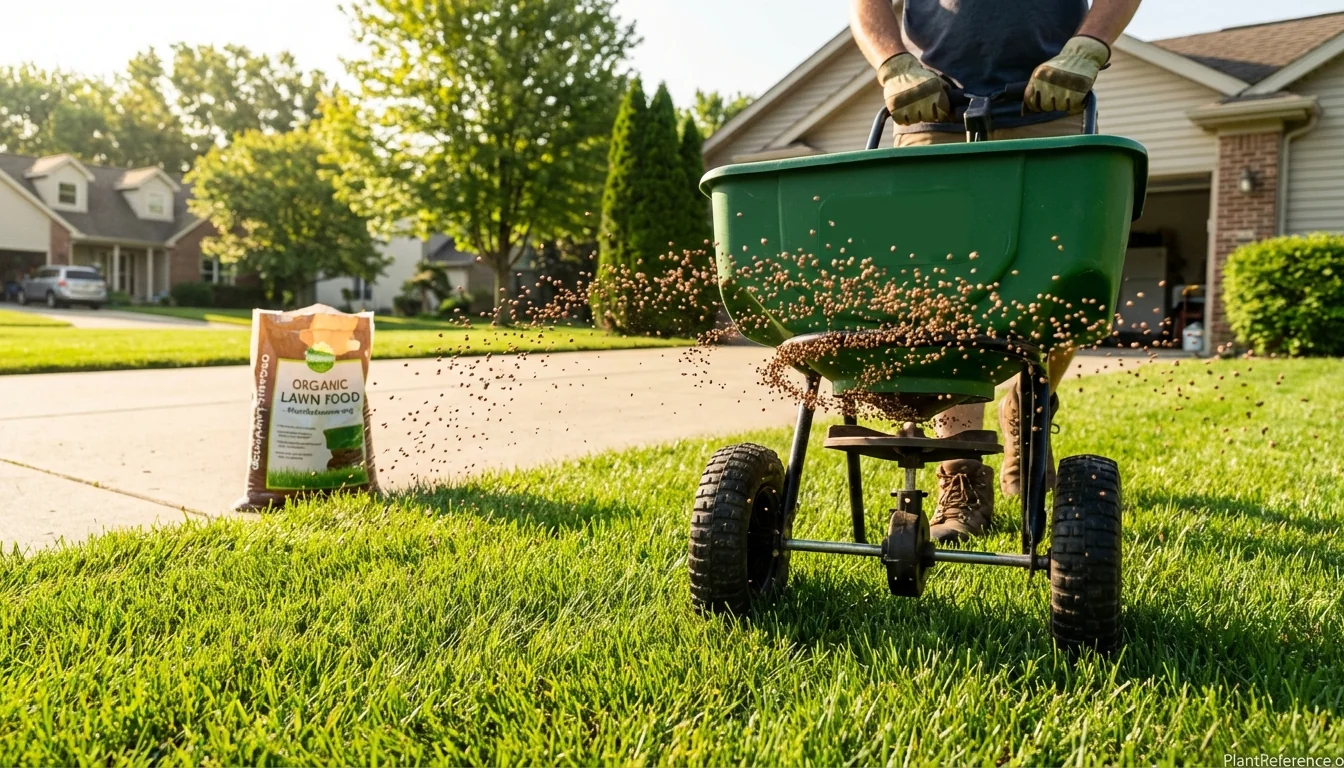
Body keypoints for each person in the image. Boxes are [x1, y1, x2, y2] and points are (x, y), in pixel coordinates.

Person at [850, 0, 1142, 543]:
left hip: (1054, 102)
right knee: (942, 300)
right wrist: (893, 63)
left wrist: (1088, 47)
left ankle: (1029, 403)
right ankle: (960, 474)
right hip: (933, 112)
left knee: (1059, 288)